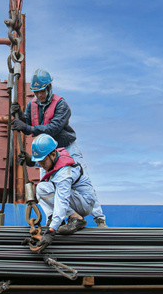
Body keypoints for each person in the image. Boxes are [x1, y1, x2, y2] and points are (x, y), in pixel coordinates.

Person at [11, 68, 108, 228]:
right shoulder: (32, 105)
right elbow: (27, 122)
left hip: (67, 148)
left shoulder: (61, 105)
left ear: (49, 88)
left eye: (42, 91)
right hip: (48, 154)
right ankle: (57, 218)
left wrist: (28, 129)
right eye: (36, 92)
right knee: (45, 186)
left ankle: (99, 218)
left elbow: (53, 129)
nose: (40, 95)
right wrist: (19, 116)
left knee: (83, 183)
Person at [25, 134, 99, 253]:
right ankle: (52, 218)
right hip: (76, 200)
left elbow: (62, 201)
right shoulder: (55, 158)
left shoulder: (64, 174)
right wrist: (30, 161)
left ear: (53, 155)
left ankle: (76, 218)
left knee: (44, 189)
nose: (41, 166)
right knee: (41, 188)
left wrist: (51, 232)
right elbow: (46, 162)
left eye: (42, 162)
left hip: (84, 204)